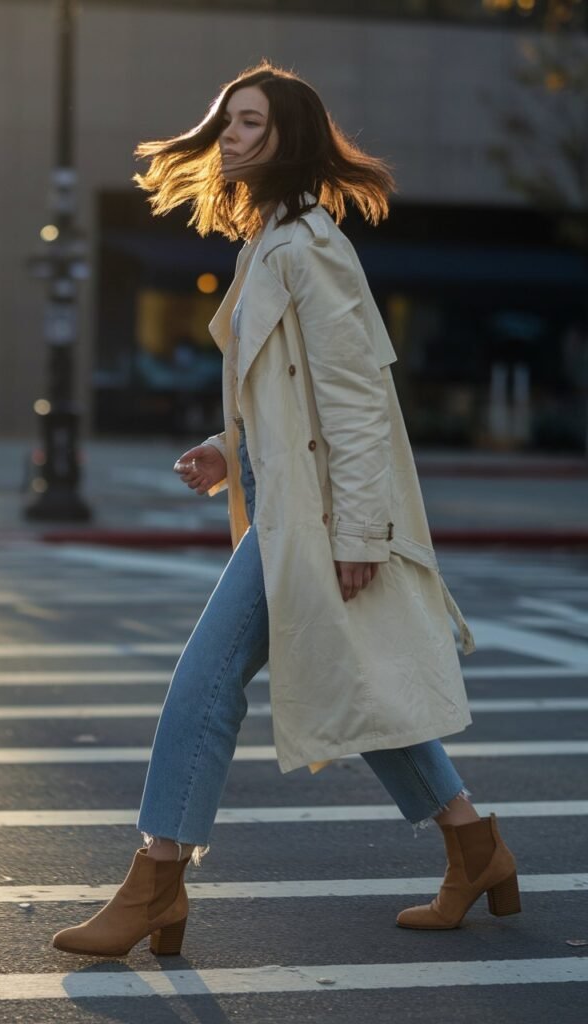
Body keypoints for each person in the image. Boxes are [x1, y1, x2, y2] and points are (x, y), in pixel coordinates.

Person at [52, 61, 521, 959]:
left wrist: (359, 533)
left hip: (313, 519)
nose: (228, 136)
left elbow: (353, 403)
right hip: (283, 504)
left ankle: (156, 880)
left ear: (287, 138)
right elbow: (284, 399)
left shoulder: (311, 247)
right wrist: (226, 452)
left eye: (250, 123)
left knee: (204, 680)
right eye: (227, 121)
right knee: (357, 688)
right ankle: (478, 848)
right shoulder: (266, 240)